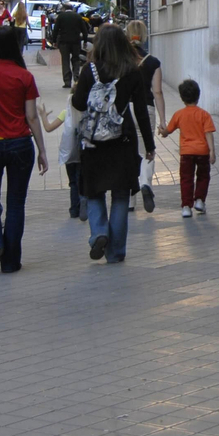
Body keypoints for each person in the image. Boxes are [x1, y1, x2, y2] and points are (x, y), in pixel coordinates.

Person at [71, 25, 155, 264]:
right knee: (120, 195)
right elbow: (141, 111)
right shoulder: (132, 71)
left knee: (94, 191)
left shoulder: (89, 71)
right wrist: (149, 145)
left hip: (93, 141)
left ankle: (99, 232)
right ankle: (116, 252)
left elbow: (78, 104)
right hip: (123, 140)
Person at [0, 27, 49, 273]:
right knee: (15, 203)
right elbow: (31, 116)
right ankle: (11, 262)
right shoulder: (24, 76)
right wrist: (42, 150)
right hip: (20, 145)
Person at [124, 19, 166, 213]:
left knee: (128, 151)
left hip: (124, 109)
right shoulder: (153, 62)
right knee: (147, 149)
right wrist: (163, 120)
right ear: (144, 36)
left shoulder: (121, 60)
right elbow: (157, 92)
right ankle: (146, 184)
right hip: (146, 109)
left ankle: (129, 201)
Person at [160, 79, 216, 218]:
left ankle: (186, 207)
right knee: (203, 176)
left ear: (182, 98)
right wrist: (212, 151)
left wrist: (162, 131)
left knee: (186, 178)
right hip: (202, 151)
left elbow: (168, 131)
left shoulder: (179, 114)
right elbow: (208, 133)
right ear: (198, 95)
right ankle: (200, 200)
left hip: (186, 153)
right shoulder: (204, 114)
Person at [42, 101, 85, 220]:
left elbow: (48, 128)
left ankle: (74, 210)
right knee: (82, 180)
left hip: (69, 153)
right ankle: (83, 200)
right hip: (83, 152)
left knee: (73, 182)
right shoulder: (87, 112)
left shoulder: (66, 113)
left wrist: (43, 116)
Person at [51, 2, 89, 89]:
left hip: (64, 42)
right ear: (72, 9)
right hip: (76, 42)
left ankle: (67, 81)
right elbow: (84, 30)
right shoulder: (78, 16)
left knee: (65, 60)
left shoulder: (61, 16)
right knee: (76, 59)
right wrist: (85, 41)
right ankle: (76, 78)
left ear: (64, 9)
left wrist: (54, 41)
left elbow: (56, 29)